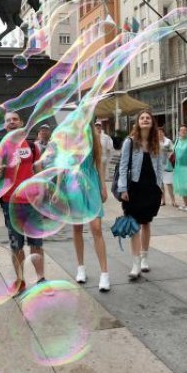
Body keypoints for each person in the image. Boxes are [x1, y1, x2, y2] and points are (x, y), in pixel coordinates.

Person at [0, 110, 46, 294]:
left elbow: (40, 170)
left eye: (15, 119)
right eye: (8, 120)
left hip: (32, 201)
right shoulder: (2, 147)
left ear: (21, 122)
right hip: (10, 202)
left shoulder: (32, 146)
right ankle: (20, 281)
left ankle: (41, 280)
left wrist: (42, 193)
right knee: (16, 244)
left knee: (36, 243)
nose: (12, 122)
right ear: (5, 126)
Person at [117, 110, 163, 280]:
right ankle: (135, 264)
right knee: (134, 225)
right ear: (137, 122)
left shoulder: (155, 142)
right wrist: (123, 188)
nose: (145, 120)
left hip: (151, 187)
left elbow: (159, 166)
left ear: (152, 123)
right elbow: (122, 166)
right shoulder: (130, 142)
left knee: (146, 223)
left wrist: (160, 187)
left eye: (148, 118)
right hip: (134, 187)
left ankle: (144, 258)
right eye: (142, 118)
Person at [72, 124, 111, 291]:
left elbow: (99, 165)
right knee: (77, 228)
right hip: (73, 183)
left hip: (92, 181)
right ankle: (81, 267)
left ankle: (104, 273)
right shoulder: (70, 137)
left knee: (96, 228)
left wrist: (103, 186)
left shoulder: (93, 137)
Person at [158, 128, 177, 207]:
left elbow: (172, 151)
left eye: (161, 132)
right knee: (160, 184)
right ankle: (163, 200)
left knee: (169, 183)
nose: (159, 134)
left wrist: (165, 149)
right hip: (158, 165)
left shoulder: (168, 141)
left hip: (167, 164)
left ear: (163, 133)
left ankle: (173, 201)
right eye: (158, 133)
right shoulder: (154, 141)